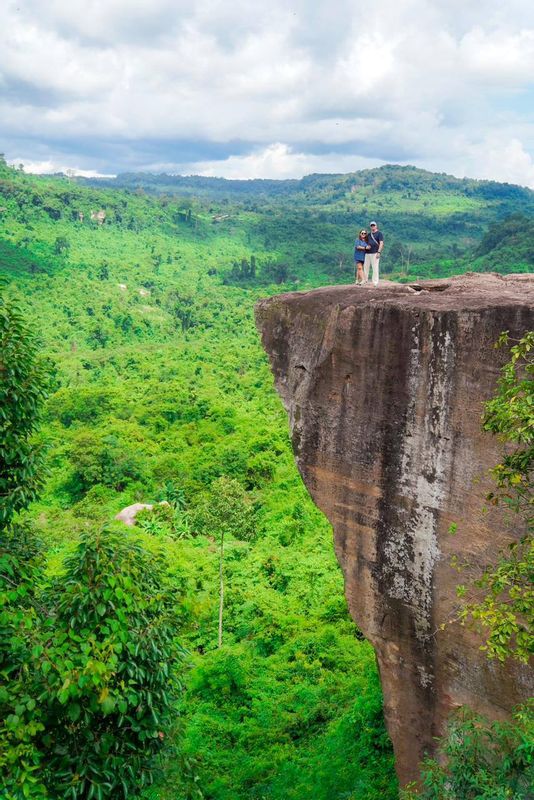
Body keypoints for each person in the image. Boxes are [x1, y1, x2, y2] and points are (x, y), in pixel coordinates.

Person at [363, 221, 384, 286]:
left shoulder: (379, 233)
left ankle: (375, 282)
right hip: (367, 253)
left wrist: (379, 252)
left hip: (375, 253)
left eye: (374, 225)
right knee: (366, 268)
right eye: (371, 226)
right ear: (370, 227)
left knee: (375, 268)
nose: (373, 227)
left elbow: (381, 243)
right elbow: (365, 242)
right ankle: (365, 280)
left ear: (376, 226)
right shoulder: (368, 235)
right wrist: (366, 247)